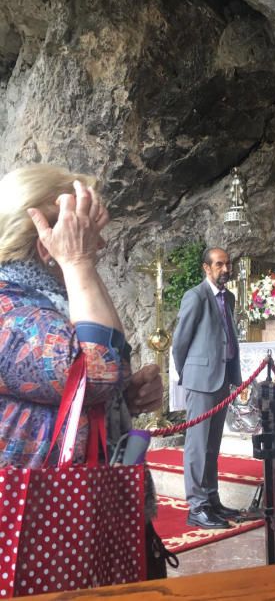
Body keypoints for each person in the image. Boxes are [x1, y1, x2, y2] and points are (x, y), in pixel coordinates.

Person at [0, 164, 162, 469]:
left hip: (77, 505)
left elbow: (88, 385)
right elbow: (99, 375)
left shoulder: (51, 300)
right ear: (46, 248)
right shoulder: (9, 309)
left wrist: (124, 398)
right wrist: (78, 260)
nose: (100, 246)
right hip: (39, 510)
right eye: (90, 236)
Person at [172, 246, 242, 529]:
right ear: (206, 268)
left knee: (213, 443)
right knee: (197, 445)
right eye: (219, 264)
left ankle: (212, 499)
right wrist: (189, 373)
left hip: (222, 376)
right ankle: (197, 506)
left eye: (227, 264)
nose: (225, 269)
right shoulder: (196, 296)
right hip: (202, 380)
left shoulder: (230, 298)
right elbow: (180, 342)